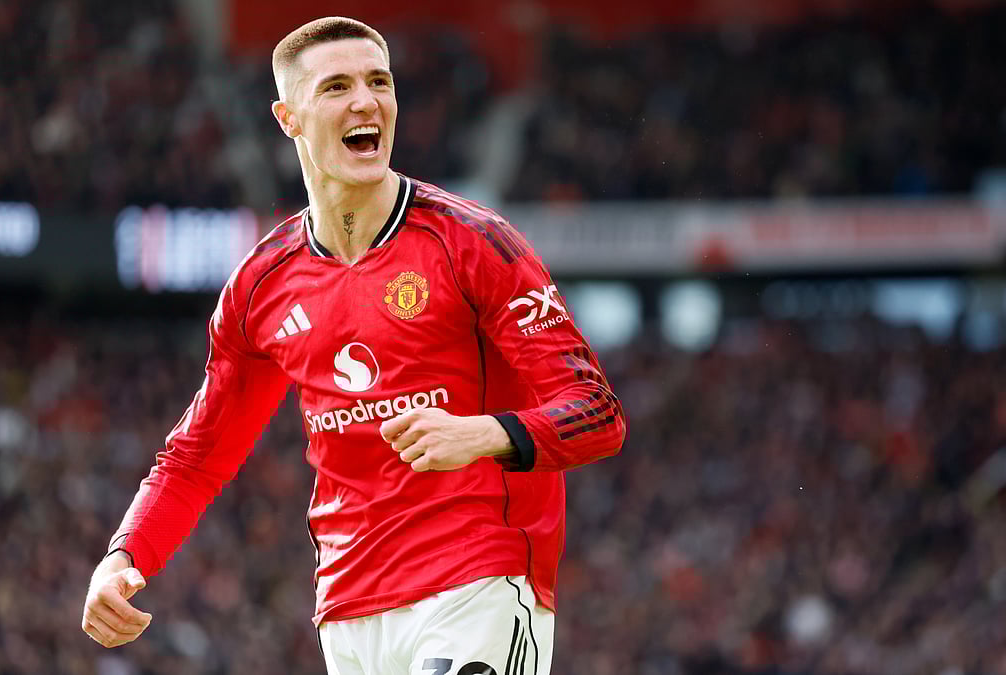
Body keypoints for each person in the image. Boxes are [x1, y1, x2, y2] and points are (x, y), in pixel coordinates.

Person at [81, 16, 626, 674]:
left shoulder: (475, 245)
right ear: (289, 117)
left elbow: (599, 412)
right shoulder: (261, 286)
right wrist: (123, 556)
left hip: (478, 585)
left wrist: (484, 432)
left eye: (379, 82)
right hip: (348, 616)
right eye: (337, 86)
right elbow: (196, 458)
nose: (366, 101)